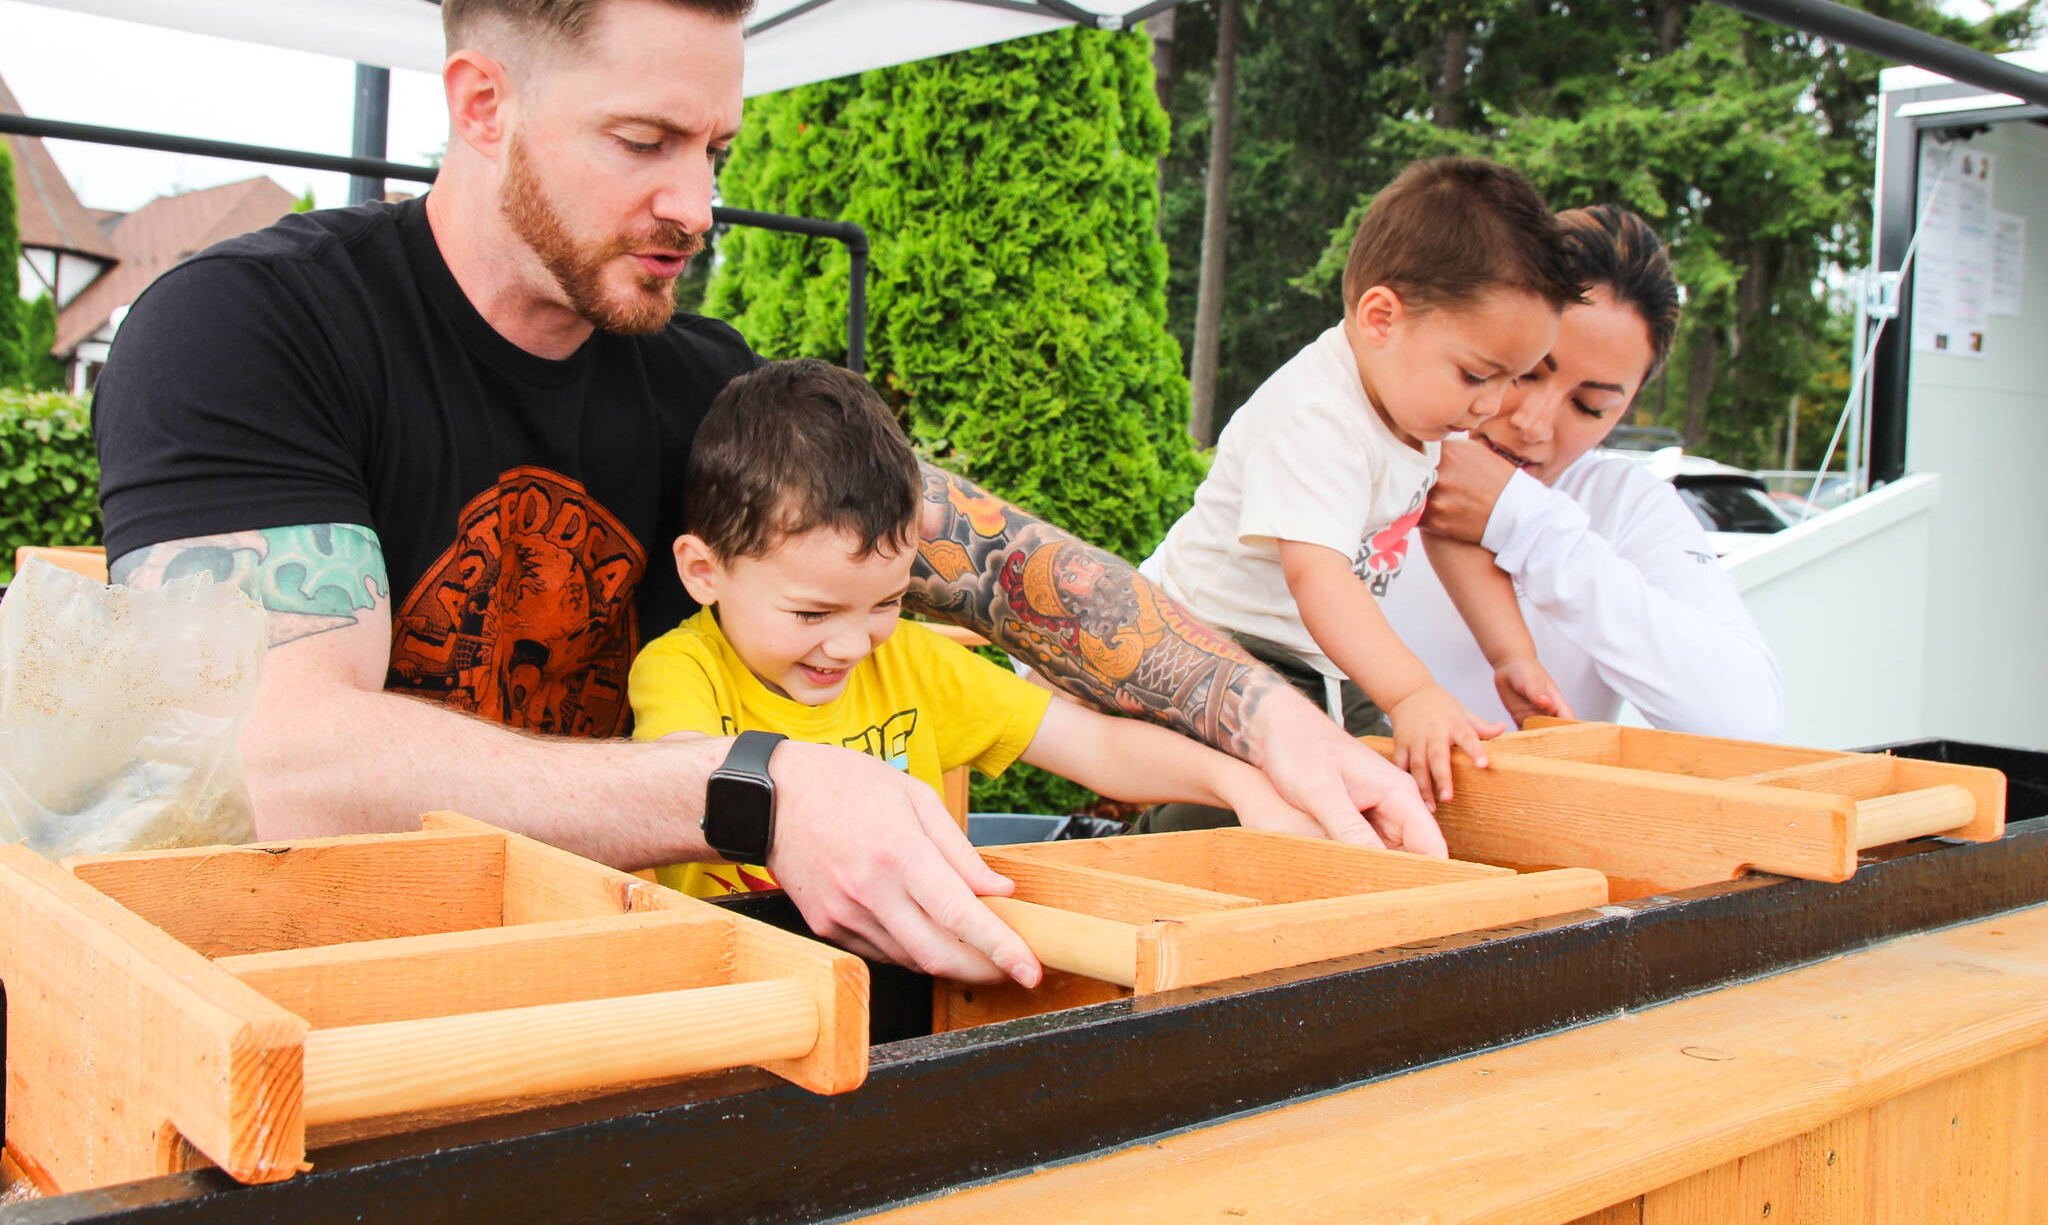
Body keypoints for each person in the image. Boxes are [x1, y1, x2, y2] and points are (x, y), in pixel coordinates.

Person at [89, 0, 1443, 989]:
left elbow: (1001, 562)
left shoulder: (699, 381)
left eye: (718, 152)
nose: (697, 202)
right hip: (301, 1005)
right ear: (483, 105)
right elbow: (275, 757)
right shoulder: (248, 329)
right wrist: (753, 786)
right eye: (645, 141)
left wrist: (1272, 722)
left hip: (624, 1003)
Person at [629, 360, 1322, 897]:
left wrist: (1243, 786)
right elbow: (682, 778)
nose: (850, 645)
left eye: (885, 603)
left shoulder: (910, 664)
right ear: (703, 570)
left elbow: (1096, 744)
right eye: (811, 613)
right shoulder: (682, 672)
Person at [1141, 157, 1582, 804]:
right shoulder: (1319, 420)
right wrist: (1410, 692)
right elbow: (1317, 577)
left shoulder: (1417, 406)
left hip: (1306, 653)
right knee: (1267, 797)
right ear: (1381, 318)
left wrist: (1510, 655)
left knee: (1410, 774)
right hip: (1209, 645)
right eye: (1476, 375)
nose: (1493, 405)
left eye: (1512, 378)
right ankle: (1143, 850)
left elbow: (1447, 527)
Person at [1383, 204, 1784, 740]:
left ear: (1629, 404)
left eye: (1589, 405)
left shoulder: (1623, 506)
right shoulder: (1361, 452)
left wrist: (1528, 525)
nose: (1533, 424)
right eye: (1524, 372)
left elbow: (1746, 722)